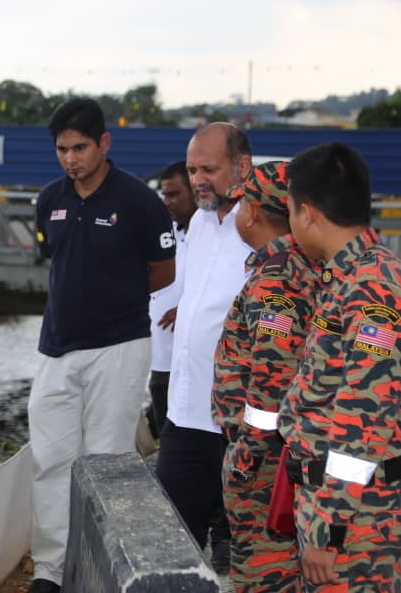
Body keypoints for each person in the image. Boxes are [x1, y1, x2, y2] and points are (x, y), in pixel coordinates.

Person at [28, 97, 176, 593]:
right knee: (50, 459)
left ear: (104, 143)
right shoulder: (50, 199)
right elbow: (55, 260)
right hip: (56, 349)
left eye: (81, 147)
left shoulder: (139, 202)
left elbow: (162, 272)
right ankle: (51, 570)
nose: (72, 158)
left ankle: (98, 569)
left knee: (106, 461)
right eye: (63, 149)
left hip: (118, 346)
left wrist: (113, 299)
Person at [278, 142, 401, 591]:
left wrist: (330, 525)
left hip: (357, 520)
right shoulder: (348, 276)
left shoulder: (372, 287)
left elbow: (365, 416)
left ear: (307, 213)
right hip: (343, 506)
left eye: (288, 211)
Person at [212, 161, 318, 591]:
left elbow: (272, 379)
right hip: (289, 453)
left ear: (252, 212)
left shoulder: (276, 281)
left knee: (264, 575)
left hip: (268, 462)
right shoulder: (304, 266)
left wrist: (246, 458)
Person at [155, 122, 253, 570]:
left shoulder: (262, 225)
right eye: (193, 169)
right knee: (169, 540)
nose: (197, 180)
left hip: (238, 419)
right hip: (185, 410)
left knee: (245, 549)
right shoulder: (197, 220)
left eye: (208, 169)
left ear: (242, 166)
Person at [148, 160, 196, 437]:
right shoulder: (167, 234)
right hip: (160, 361)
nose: (167, 202)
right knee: (166, 443)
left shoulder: (215, 235)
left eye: (174, 194)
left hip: (191, 364)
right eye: (164, 195)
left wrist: (188, 310)